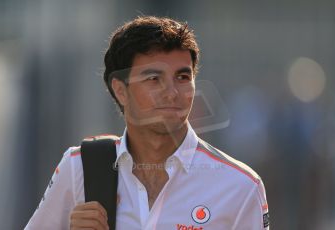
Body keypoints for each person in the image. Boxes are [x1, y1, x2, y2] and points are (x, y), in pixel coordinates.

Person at [25, 16, 270, 230]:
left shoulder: (241, 186)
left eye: (183, 77)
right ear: (120, 90)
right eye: (154, 78)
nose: (172, 92)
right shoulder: (79, 167)